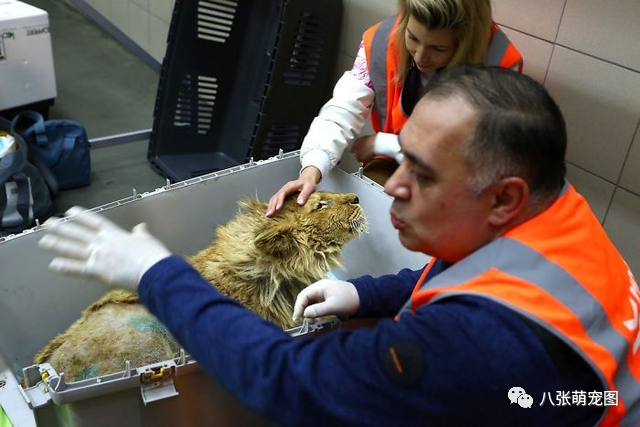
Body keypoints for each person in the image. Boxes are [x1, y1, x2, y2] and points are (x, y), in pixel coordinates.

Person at [38, 66, 639, 426]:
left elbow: (285, 380)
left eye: (423, 176)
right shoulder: (562, 218)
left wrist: (156, 272)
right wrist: (365, 293)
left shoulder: (475, 349)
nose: (392, 189)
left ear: (504, 198)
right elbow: (482, 282)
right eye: (399, 156)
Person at [266, 0, 523, 217]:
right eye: (413, 38)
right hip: (393, 167)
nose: (421, 56)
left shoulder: (499, 65)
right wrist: (312, 169)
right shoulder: (379, 40)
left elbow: (470, 159)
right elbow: (342, 110)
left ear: (465, 42)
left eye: (438, 48)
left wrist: (384, 144)